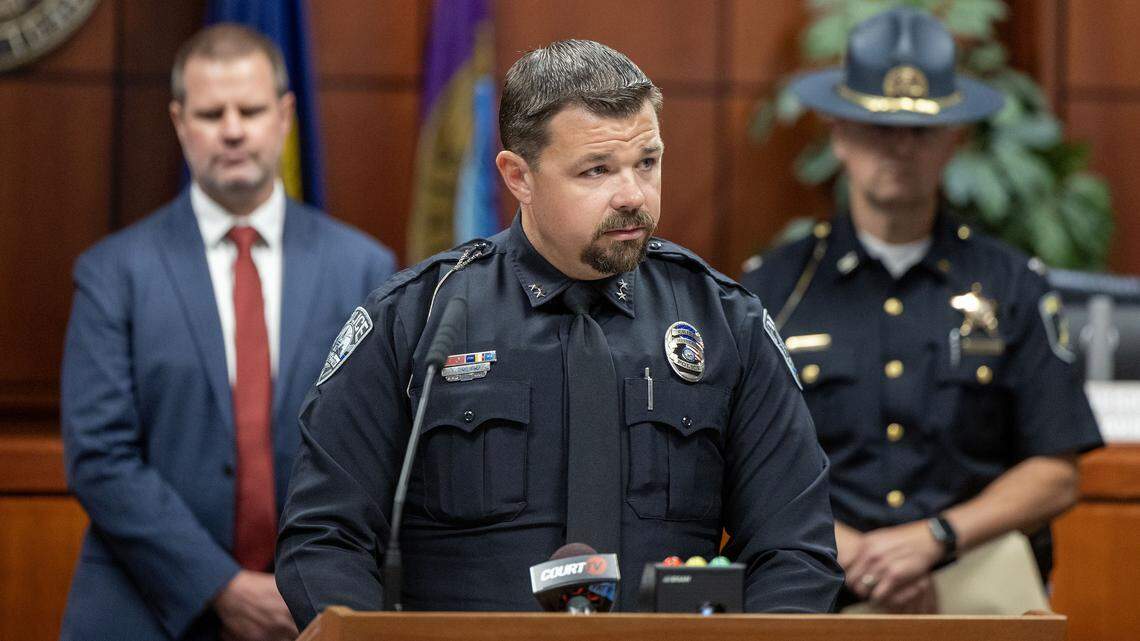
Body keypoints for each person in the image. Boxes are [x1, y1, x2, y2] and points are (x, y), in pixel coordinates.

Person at [276, 39, 842, 627]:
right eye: (596, 170)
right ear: (518, 175)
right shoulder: (420, 317)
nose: (632, 195)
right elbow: (325, 538)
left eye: (647, 162)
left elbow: (794, 550)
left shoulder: (724, 321)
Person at [741, 7, 1103, 614]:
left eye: (921, 130)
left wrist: (934, 540)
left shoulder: (1013, 286)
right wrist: (853, 551)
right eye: (878, 127)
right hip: (819, 590)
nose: (900, 148)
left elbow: (1056, 470)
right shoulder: (774, 290)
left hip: (973, 590)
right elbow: (742, 466)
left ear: (954, 138)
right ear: (838, 132)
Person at [59, 24, 395, 641]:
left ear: (286, 115)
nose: (233, 129)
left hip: (315, 611)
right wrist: (219, 585)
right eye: (212, 113)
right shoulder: (114, 272)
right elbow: (99, 458)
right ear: (180, 121)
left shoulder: (364, 269)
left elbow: (378, 449)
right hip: (146, 607)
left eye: (251, 109)